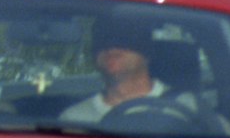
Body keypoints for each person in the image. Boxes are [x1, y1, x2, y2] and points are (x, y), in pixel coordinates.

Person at [62, 11, 190, 131]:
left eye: (124, 38)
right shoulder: (74, 119)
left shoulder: (186, 108)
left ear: (147, 51)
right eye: (102, 38)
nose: (111, 48)